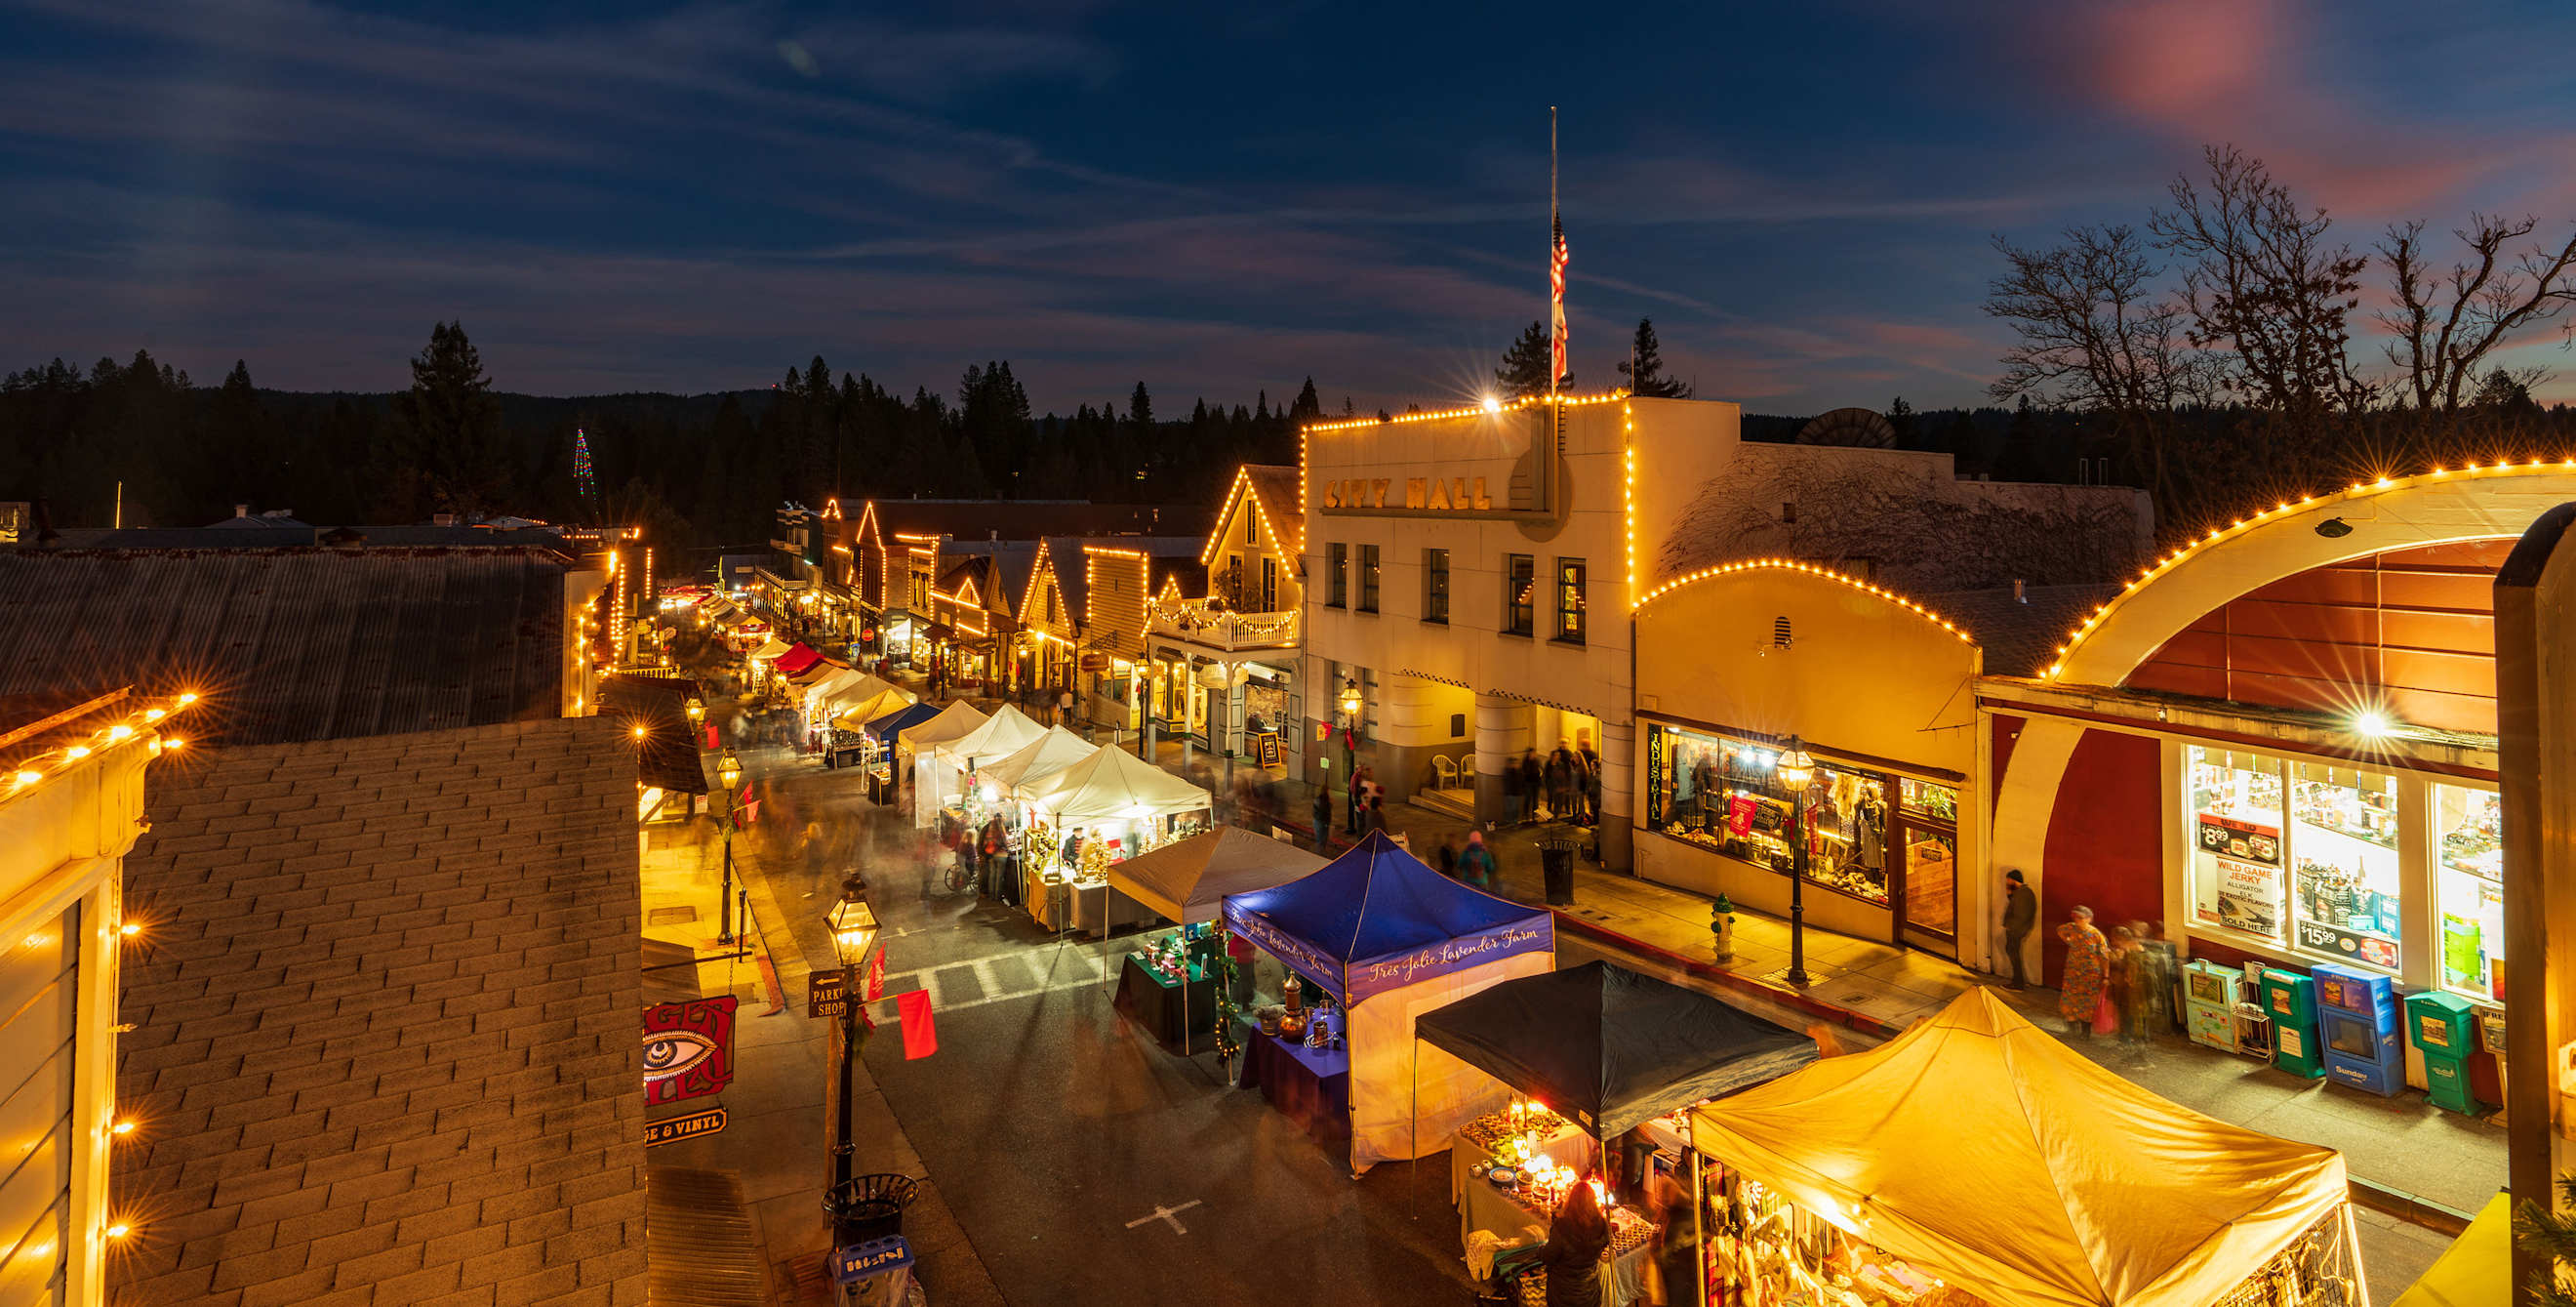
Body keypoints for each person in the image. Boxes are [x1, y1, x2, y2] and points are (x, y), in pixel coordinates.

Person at [1539, 1179, 1611, 1307]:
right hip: (1589, 1291)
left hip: (1563, 1293)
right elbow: (1605, 1244)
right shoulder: (1602, 1225)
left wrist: (1540, 1250)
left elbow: (1548, 1257)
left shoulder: (1563, 1227)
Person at [2056, 905, 2112, 1037]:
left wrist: (2106, 976)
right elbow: (2060, 930)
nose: (2077, 920)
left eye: (2080, 918)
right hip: (2072, 972)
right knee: (2070, 999)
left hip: (2090, 974)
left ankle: (2085, 1031)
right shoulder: (2071, 928)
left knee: (2087, 1002)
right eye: (2075, 917)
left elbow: (2104, 957)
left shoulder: (2096, 935)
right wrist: (2068, 940)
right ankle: (2072, 1027)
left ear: (2089, 919)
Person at [1648, 1175, 1698, 1307]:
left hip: (1677, 1277)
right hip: (1682, 1277)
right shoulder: (1686, 1212)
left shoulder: (1678, 1219)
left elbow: (1670, 1249)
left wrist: (1657, 1254)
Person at [2000, 870, 2038, 989]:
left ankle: (2018, 983)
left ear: (2013, 879)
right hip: (2017, 929)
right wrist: (2009, 892)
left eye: (2009, 880)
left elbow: (2021, 915)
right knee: (2012, 952)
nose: (2007, 882)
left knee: (2013, 954)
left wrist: (2010, 926)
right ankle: (2019, 980)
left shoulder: (2023, 894)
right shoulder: (2021, 893)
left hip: (2016, 930)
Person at [1311, 786, 1333, 852]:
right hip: (1321, 821)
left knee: (1321, 838)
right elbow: (1324, 810)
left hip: (1320, 821)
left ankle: (1321, 851)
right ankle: (1320, 853)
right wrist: (1330, 804)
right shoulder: (1323, 800)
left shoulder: (1318, 799)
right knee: (1322, 839)